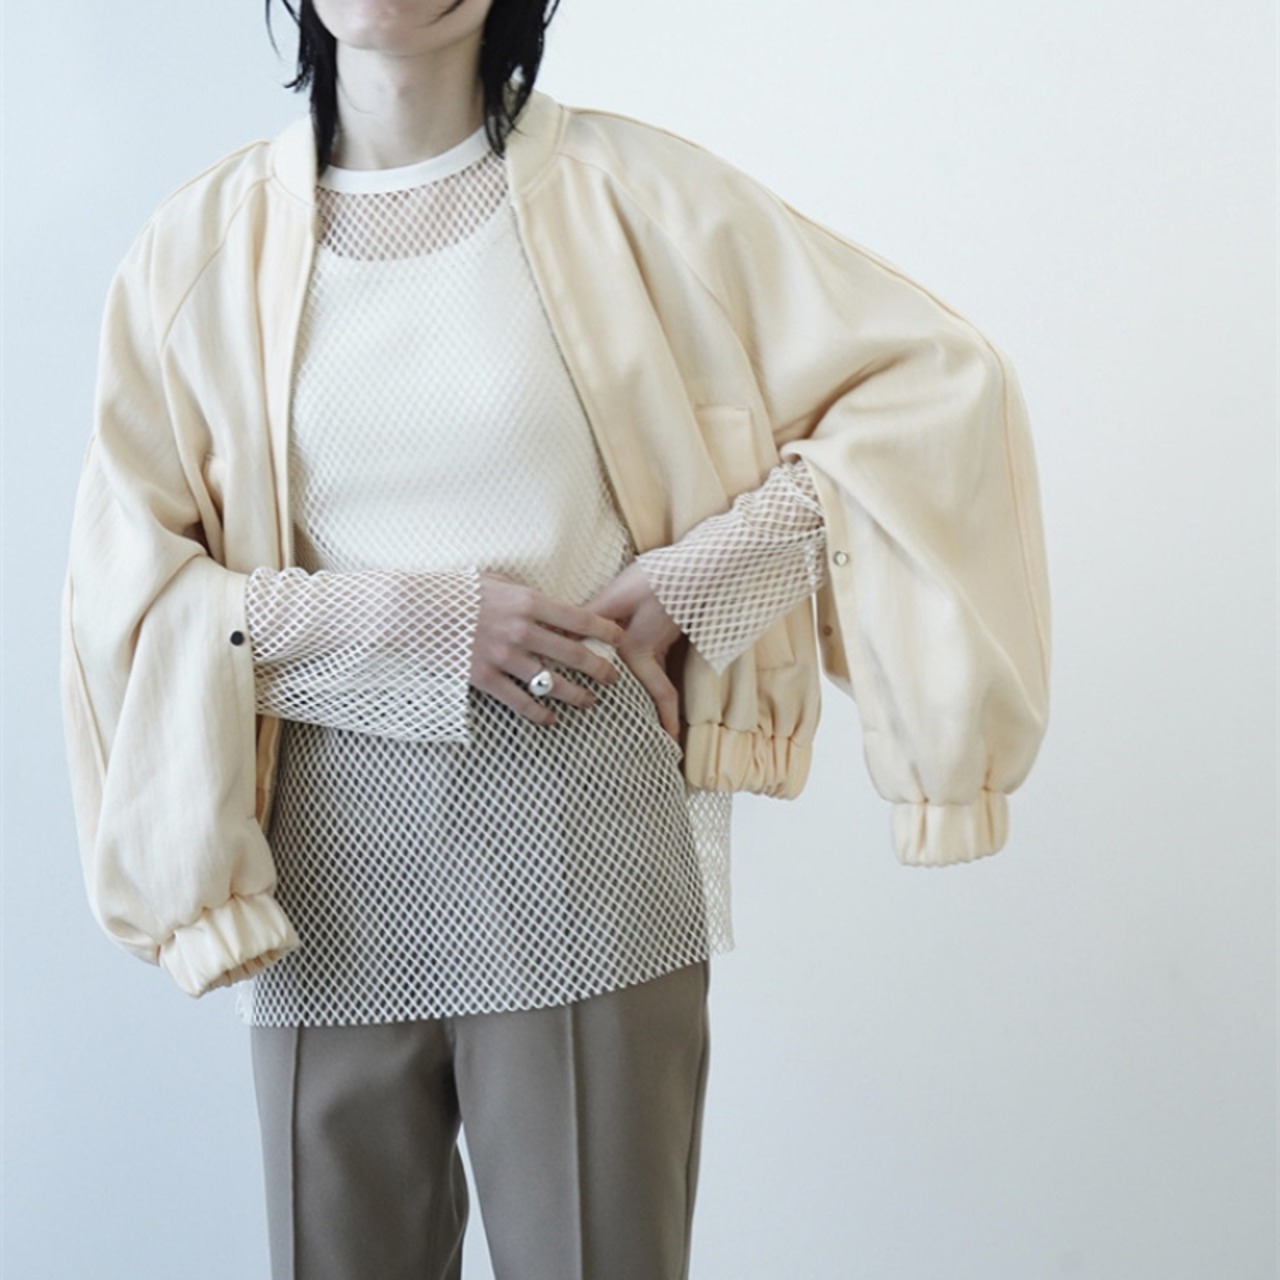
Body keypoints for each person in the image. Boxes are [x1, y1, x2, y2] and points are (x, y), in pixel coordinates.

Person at [59, 1, 1052, 1276]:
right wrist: (418, 620)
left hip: (586, 852)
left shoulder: (637, 195)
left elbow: (936, 385)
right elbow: (127, 595)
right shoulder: (194, 251)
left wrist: (696, 579)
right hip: (317, 892)